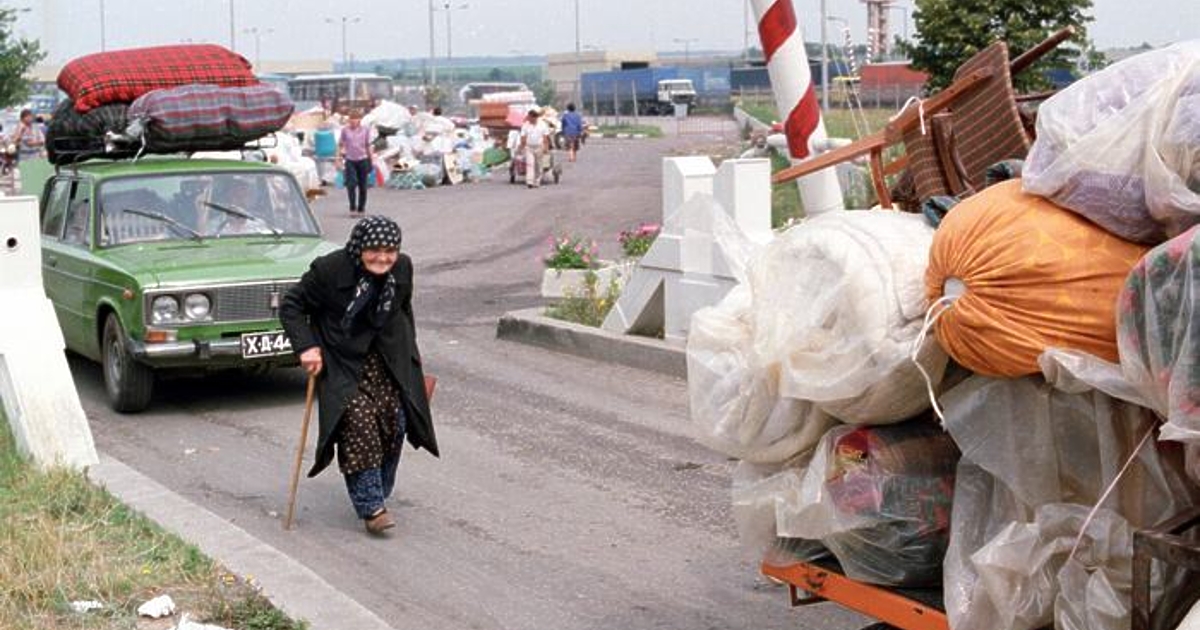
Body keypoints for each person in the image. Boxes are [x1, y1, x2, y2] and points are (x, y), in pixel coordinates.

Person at [279, 216, 438, 536]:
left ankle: (377, 488)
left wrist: (412, 357)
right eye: (375, 250)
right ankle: (371, 507)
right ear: (359, 247)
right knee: (358, 422)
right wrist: (306, 347)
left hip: (389, 358)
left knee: (395, 424)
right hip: (342, 360)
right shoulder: (329, 270)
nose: (383, 258)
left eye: (390, 250)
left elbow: (404, 311)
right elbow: (292, 305)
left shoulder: (403, 268)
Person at [337, 110, 374, 215]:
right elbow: (340, 144)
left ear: (359, 120)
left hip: (362, 159)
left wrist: (371, 160)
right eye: (351, 119)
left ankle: (361, 208)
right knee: (351, 184)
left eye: (355, 119)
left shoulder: (365, 130)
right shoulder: (345, 130)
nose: (353, 122)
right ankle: (352, 208)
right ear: (349, 120)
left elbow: (368, 145)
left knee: (363, 185)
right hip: (350, 160)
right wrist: (338, 158)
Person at [518, 109, 549, 189]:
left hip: (539, 147)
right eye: (528, 117)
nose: (529, 119)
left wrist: (546, 147)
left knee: (539, 164)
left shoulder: (543, 125)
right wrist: (521, 147)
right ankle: (530, 182)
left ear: (535, 118)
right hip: (529, 147)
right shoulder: (525, 125)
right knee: (530, 164)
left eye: (530, 118)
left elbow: (545, 137)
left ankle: (537, 180)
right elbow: (523, 137)